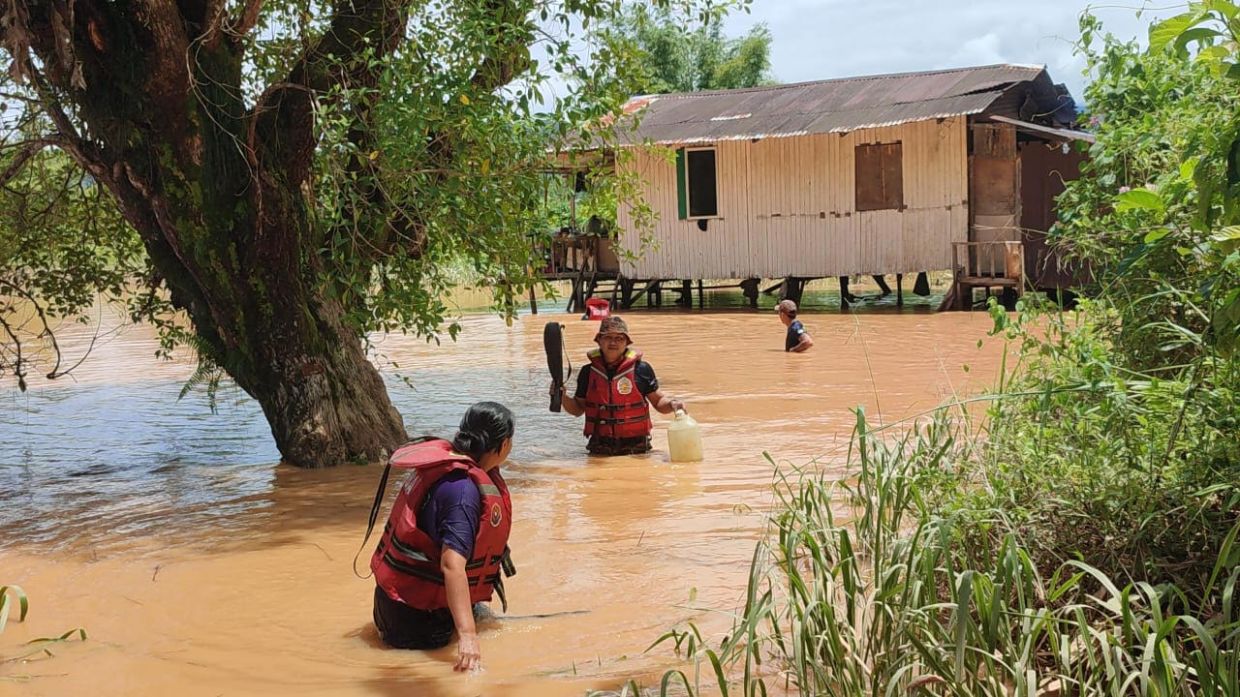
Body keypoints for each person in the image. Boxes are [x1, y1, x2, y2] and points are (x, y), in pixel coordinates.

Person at [370, 402, 516, 672]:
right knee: (468, 675)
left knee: (487, 621)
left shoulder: (449, 472)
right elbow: (452, 565)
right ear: (504, 444)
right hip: (418, 621)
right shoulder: (463, 493)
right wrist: (468, 636)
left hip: (394, 603)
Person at [557, 316, 686, 455]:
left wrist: (672, 404)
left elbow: (658, 401)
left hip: (636, 448)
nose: (613, 342)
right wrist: (562, 397)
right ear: (599, 340)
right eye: (608, 337)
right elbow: (577, 409)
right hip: (599, 448)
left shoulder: (641, 369)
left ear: (626, 342)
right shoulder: (587, 372)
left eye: (619, 338)